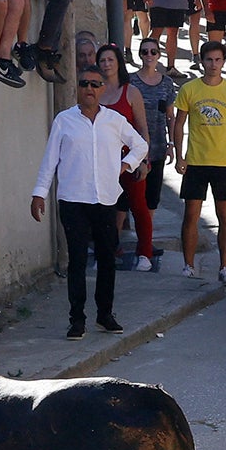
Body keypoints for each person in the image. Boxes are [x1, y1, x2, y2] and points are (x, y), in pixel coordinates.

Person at [31, 68, 148, 340]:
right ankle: (77, 319)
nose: (90, 89)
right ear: (78, 88)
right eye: (85, 84)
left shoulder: (114, 120)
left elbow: (140, 145)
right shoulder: (64, 120)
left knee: (107, 259)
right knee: (78, 261)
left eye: (95, 84)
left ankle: (105, 314)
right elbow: (50, 160)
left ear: (102, 89)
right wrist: (39, 193)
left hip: (106, 199)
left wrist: (124, 166)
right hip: (73, 200)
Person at [172, 39, 226, 285]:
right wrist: (179, 155)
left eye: (218, 60)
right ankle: (188, 265)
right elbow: (178, 124)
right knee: (191, 215)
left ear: (224, 62)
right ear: (202, 61)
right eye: (209, 59)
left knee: (225, 216)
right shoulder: (189, 89)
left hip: (223, 162)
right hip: (196, 161)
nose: (213, 64)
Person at [98, 43, 155, 270]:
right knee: (105, 210)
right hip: (103, 162)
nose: (107, 64)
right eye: (102, 61)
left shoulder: (131, 92)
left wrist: (142, 160)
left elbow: (143, 130)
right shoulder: (96, 91)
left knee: (139, 207)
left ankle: (145, 254)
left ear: (118, 63)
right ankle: (109, 251)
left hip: (129, 161)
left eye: (110, 60)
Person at [129, 39, 179, 219]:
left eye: (153, 52)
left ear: (159, 55)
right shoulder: (130, 81)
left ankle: (146, 242)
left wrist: (171, 144)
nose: (149, 55)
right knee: (129, 197)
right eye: (145, 52)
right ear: (140, 54)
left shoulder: (166, 83)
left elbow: (170, 116)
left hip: (157, 147)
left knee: (152, 198)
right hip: (132, 148)